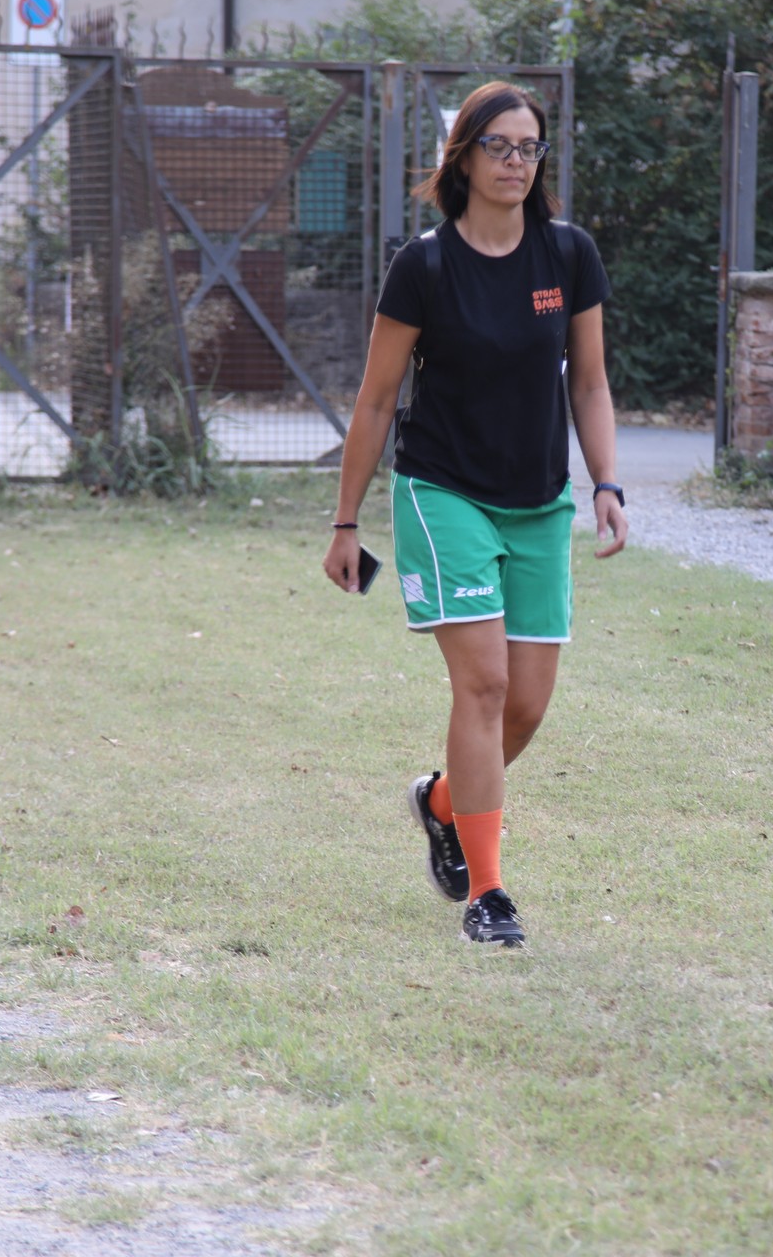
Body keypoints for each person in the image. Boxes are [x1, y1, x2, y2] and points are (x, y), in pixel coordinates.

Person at [321, 81, 627, 949]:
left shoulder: (567, 255)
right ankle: (488, 897)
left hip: (539, 502)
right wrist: (346, 522)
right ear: (463, 156)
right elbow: (377, 400)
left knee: (525, 706)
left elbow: (590, 383)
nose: (515, 162)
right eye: (499, 146)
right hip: (442, 492)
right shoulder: (423, 265)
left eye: (530, 148)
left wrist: (607, 483)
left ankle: (442, 801)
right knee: (485, 685)